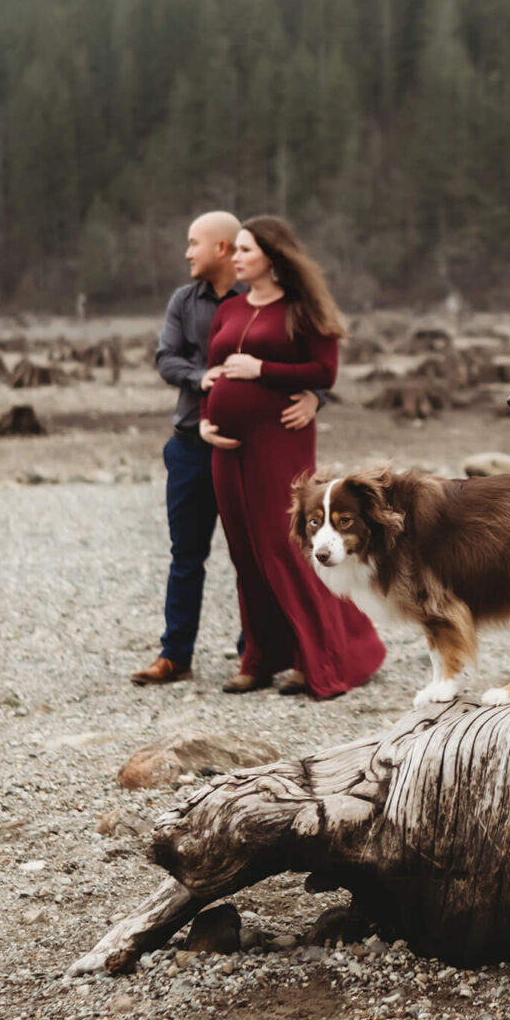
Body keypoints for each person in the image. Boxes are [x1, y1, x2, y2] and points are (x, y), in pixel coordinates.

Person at [131, 211, 320, 685]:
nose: (187, 252)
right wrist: (202, 378)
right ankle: (175, 655)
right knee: (186, 553)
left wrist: (319, 397)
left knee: (257, 554)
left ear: (221, 248)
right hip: (191, 448)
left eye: (194, 243)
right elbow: (166, 358)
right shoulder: (183, 301)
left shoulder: (263, 299)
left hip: (249, 453)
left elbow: (304, 361)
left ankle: (255, 653)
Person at [201, 216, 386, 698]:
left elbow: (323, 371)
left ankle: (318, 656)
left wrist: (261, 368)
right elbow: (213, 371)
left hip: (280, 441)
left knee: (287, 548)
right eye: (235, 249)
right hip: (226, 450)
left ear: (272, 256)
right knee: (245, 553)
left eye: (245, 250)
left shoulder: (301, 309)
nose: (236, 258)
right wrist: (205, 418)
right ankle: (260, 659)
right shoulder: (231, 308)